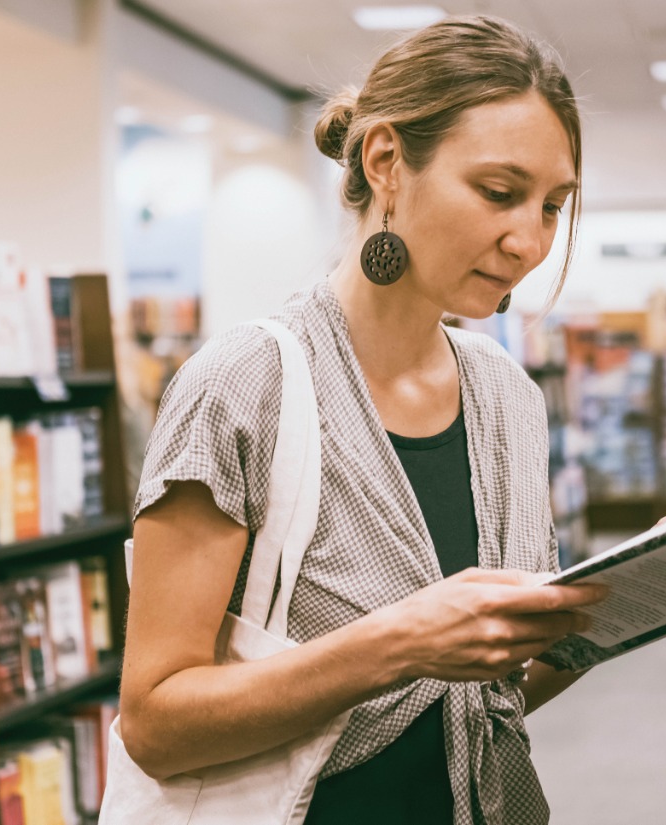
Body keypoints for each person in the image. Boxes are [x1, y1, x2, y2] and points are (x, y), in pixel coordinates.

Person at [119, 14, 606, 825]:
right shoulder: (245, 386)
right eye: (499, 193)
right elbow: (156, 721)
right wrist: (398, 643)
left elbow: (489, 698)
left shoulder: (509, 399)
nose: (529, 241)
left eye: (554, 206)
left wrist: (604, 618)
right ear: (385, 161)